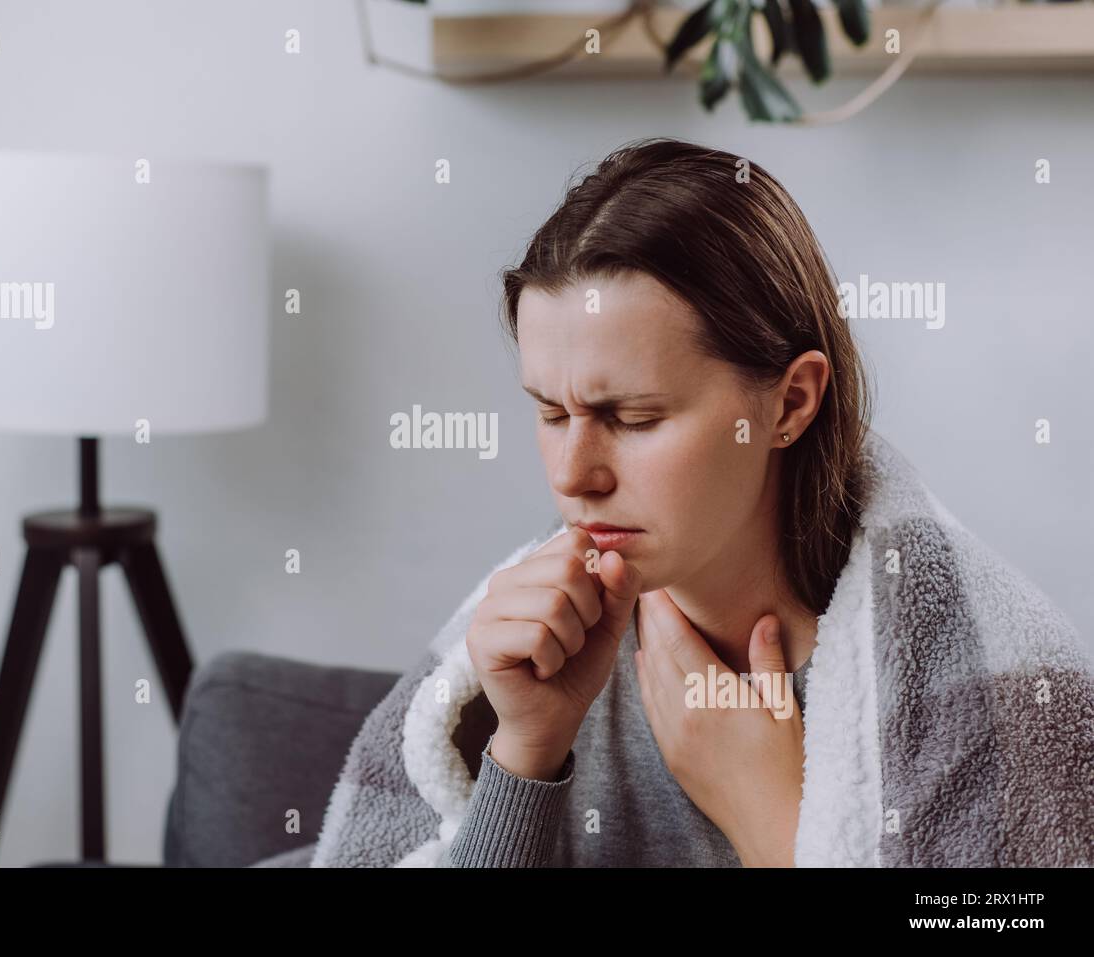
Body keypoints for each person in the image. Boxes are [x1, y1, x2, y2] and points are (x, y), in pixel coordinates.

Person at [301, 137, 1093, 868]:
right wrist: (525, 752)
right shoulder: (526, 649)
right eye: (551, 412)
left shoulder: (978, 681)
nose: (575, 474)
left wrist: (771, 816)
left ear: (790, 404)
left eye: (634, 417)